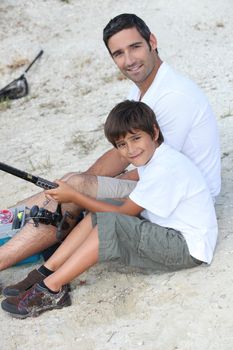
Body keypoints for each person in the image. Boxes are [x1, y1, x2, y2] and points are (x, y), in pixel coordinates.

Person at [0, 13, 220, 274]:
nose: (129, 61)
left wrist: (84, 192)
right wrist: (85, 181)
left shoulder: (174, 97)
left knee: (78, 188)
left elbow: (153, 166)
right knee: (75, 182)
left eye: (135, 47)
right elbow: (123, 155)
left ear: (152, 41)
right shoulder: (145, 88)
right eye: (118, 53)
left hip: (177, 199)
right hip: (160, 184)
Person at [1, 100, 218, 318]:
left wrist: (75, 196)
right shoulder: (156, 158)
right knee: (103, 212)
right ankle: (47, 270)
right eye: (122, 144)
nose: (131, 149)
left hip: (187, 248)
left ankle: (52, 289)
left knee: (111, 221)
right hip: (170, 232)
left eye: (136, 138)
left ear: (154, 132)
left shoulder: (166, 167)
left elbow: (123, 213)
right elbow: (124, 197)